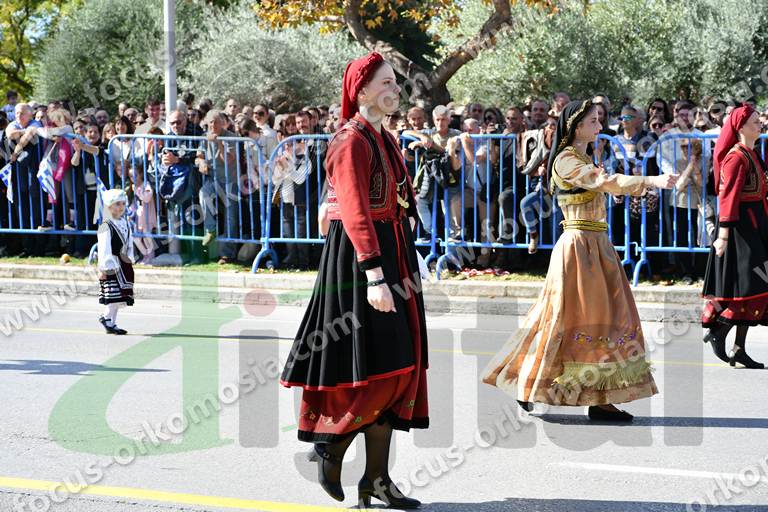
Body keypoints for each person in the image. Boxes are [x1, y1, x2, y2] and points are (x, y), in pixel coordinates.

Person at [280, 52, 427, 509]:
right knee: (379, 367)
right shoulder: (350, 140)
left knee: (399, 366)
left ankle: (376, 479)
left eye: (396, 83)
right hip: (362, 261)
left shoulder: (384, 137)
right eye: (386, 83)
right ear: (361, 90)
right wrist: (375, 275)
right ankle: (333, 445)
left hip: (394, 252)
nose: (395, 89)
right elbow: (356, 210)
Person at [481, 100, 677, 422]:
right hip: (578, 247)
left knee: (609, 320)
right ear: (575, 127)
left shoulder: (584, 158)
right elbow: (603, 181)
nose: (600, 127)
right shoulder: (565, 160)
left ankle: (601, 399)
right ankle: (525, 381)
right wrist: (651, 181)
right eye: (593, 121)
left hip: (598, 245)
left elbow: (602, 183)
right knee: (561, 319)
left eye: (599, 121)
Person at [701, 104, 767, 369]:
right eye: (755, 121)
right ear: (740, 127)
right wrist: (723, 236)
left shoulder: (753, 153)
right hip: (741, 229)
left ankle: (738, 347)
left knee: (752, 290)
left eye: (760, 120)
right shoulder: (736, 158)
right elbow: (727, 198)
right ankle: (720, 329)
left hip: (757, 224)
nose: (760, 124)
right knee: (752, 286)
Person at [97, 189, 135, 335]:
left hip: (123, 264)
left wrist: (130, 257)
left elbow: (129, 242)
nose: (121, 207)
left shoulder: (125, 223)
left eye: (123, 204)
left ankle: (112, 322)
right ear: (109, 206)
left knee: (120, 296)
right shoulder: (106, 226)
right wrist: (105, 268)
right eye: (117, 204)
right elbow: (104, 249)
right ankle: (106, 318)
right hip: (112, 264)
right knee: (113, 295)